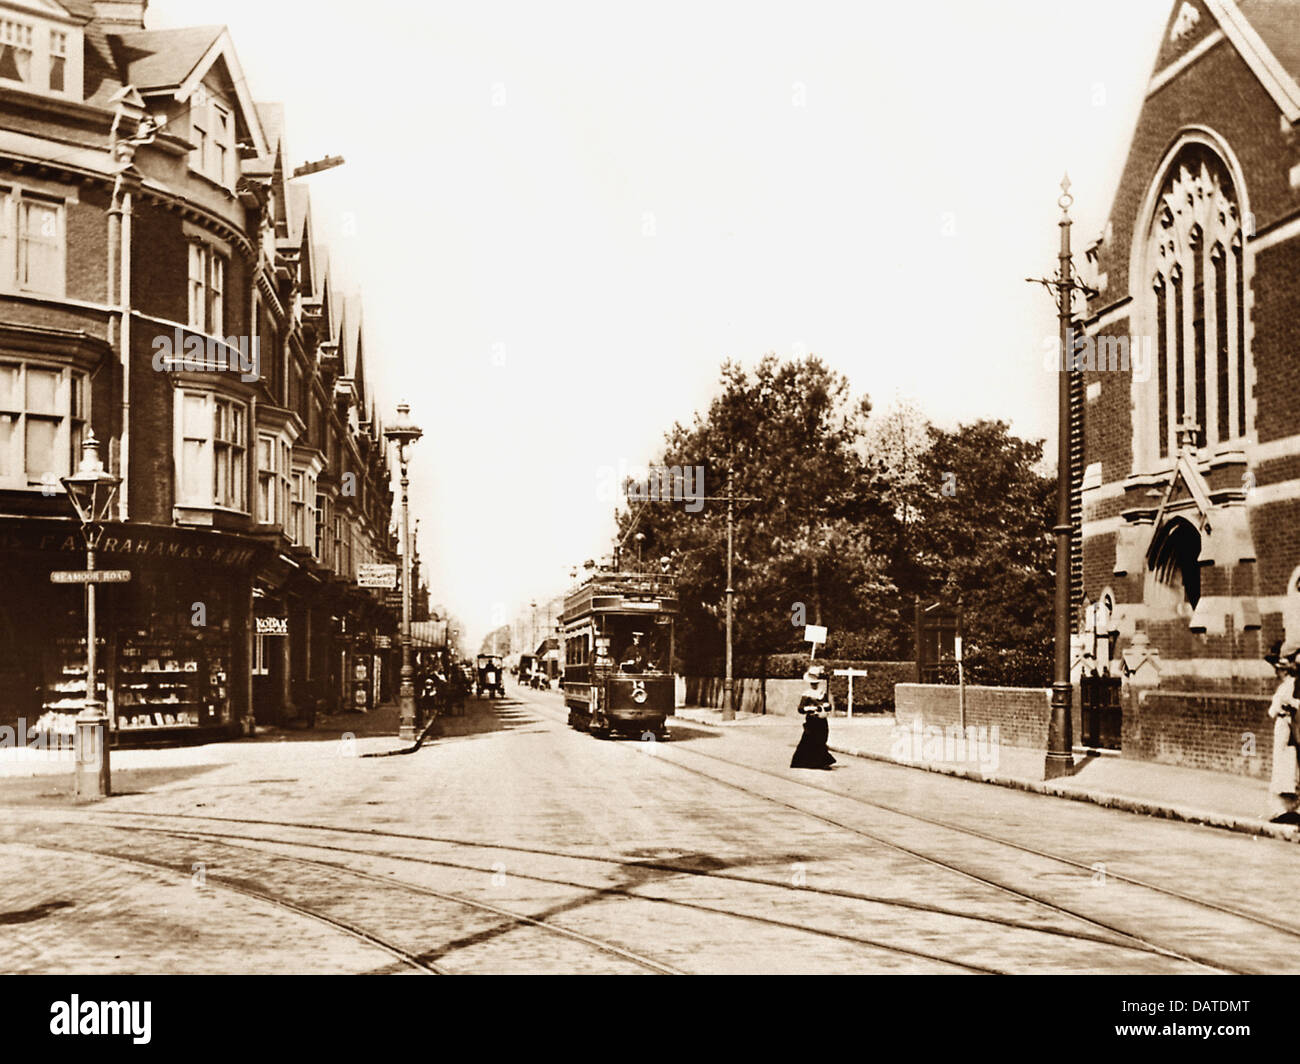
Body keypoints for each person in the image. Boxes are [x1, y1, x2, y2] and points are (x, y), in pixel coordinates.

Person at [1265, 640, 1300, 823]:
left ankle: (1285, 808)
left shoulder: (1287, 687)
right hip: (1287, 727)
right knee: (1287, 765)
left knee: (1286, 765)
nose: (1277, 673)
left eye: (1279, 669)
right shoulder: (1290, 686)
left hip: (1286, 727)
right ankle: (1286, 807)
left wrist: (1285, 707)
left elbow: (1272, 711)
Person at [790, 664, 836, 770]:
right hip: (812, 721)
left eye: (816, 683)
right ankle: (808, 762)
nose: (814, 685)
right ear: (810, 683)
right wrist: (810, 708)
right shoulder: (807, 694)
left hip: (821, 720)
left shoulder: (822, 693)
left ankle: (820, 762)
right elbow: (800, 709)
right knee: (810, 740)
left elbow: (828, 706)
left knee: (822, 739)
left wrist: (826, 706)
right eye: (812, 683)